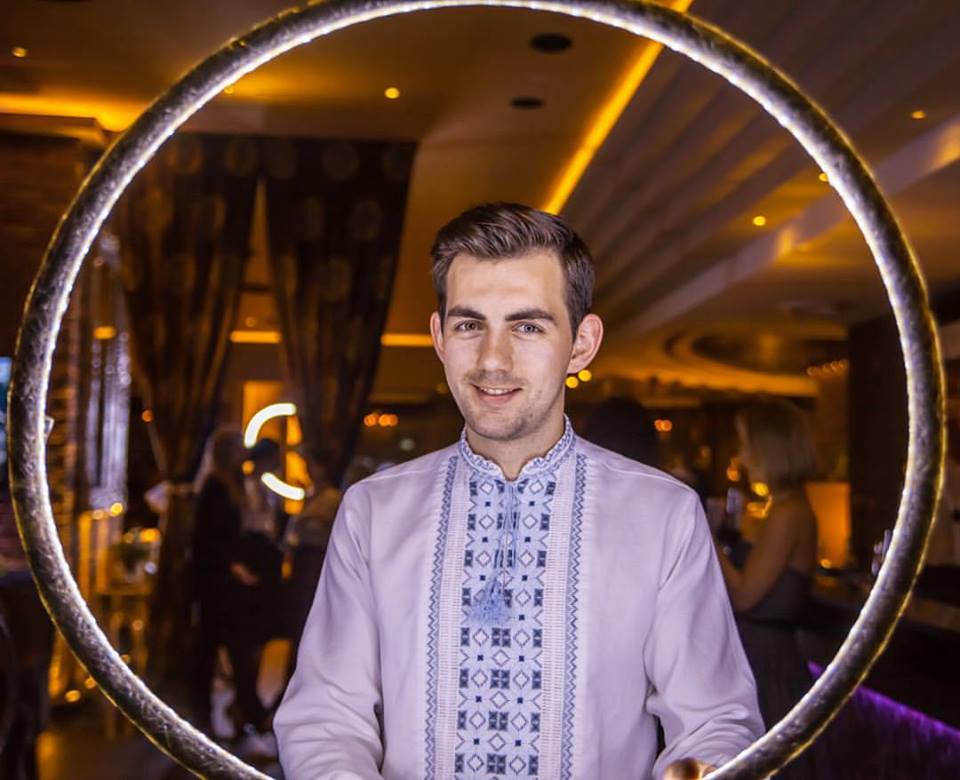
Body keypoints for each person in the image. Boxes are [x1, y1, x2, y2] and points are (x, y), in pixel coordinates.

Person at [275, 202, 762, 779]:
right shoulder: (374, 511)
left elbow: (714, 722)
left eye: (528, 326)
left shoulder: (661, 514)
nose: (492, 359)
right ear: (439, 336)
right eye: (469, 325)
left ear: (581, 343)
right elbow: (326, 716)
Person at [714, 400, 822, 778]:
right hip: (758, 655)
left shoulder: (790, 513)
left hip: (768, 662)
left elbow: (745, 596)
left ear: (769, 449)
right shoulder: (779, 508)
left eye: (746, 445)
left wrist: (704, 536)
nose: (741, 456)